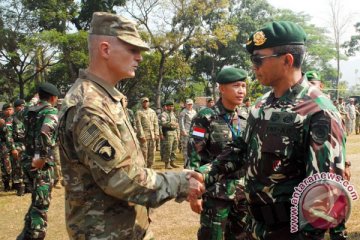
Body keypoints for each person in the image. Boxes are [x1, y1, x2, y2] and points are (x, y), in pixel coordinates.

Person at [57, 12, 203, 239]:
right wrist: (181, 182)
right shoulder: (89, 105)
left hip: (124, 228)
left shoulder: (105, 98)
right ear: (105, 49)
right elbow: (121, 178)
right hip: (104, 232)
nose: (140, 57)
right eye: (132, 49)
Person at [198, 21, 347, 239]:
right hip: (254, 226)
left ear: (287, 60)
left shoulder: (318, 111)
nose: (253, 66)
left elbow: (324, 191)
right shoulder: (261, 105)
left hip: (291, 231)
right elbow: (240, 150)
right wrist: (201, 175)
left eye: (258, 59)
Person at [187, 67, 249, 240]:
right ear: (222, 89)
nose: (241, 91)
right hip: (216, 195)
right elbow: (194, 154)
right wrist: (195, 195)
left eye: (244, 86)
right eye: (236, 86)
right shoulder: (205, 117)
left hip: (243, 194)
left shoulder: (245, 119)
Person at [17, 82, 59, 240]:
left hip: (27, 161)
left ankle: (26, 234)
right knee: (41, 205)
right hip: (39, 164)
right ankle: (35, 235)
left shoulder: (27, 110)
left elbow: (24, 108)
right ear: (54, 98)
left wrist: (35, 99)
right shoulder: (51, 111)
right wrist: (40, 158)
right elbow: (44, 133)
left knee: (36, 198)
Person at [135, 97, 159, 168]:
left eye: (147, 102)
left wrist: (156, 133)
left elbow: (156, 123)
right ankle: (144, 169)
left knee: (152, 154)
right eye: (144, 102)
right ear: (142, 103)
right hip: (144, 137)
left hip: (152, 137)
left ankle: (150, 168)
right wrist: (141, 136)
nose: (145, 103)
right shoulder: (139, 112)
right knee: (144, 154)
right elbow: (138, 125)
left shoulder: (152, 112)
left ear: (149, 103)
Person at [160, 100, 180, 169]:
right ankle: (167, 163)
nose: (171, 107)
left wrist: (178, 133)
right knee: (168, 148)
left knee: (174, 148)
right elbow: (163, 123)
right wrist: (170, 123)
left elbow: (177, 124)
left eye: (172, 106)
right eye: (170, 106)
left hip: (174, 132)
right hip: (168, 132)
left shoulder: (174, 114)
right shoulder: (164, 114)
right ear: (167, 107)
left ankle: (172, 162)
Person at [0, 103, 15, 192]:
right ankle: (6, 184)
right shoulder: (1, 119)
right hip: (3, 145)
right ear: (4, 110)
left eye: (10, 109)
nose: (9, 111)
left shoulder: (14, 118)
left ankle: (15, 183)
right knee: (5, 164)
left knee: (15, 163)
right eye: (7, 109)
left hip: (14, 143)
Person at [179, 98, 197, 167]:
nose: (190, 105)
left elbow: (196, 122)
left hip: (194, 132)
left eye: (191, 104)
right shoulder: (183, 112)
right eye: (188, 104)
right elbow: (181, 123)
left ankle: (192, 162)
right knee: (186, 147)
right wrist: (183, 131)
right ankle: (186, 163)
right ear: (186, 105)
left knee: (194, 147)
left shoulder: (194, 112)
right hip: (186, 131)